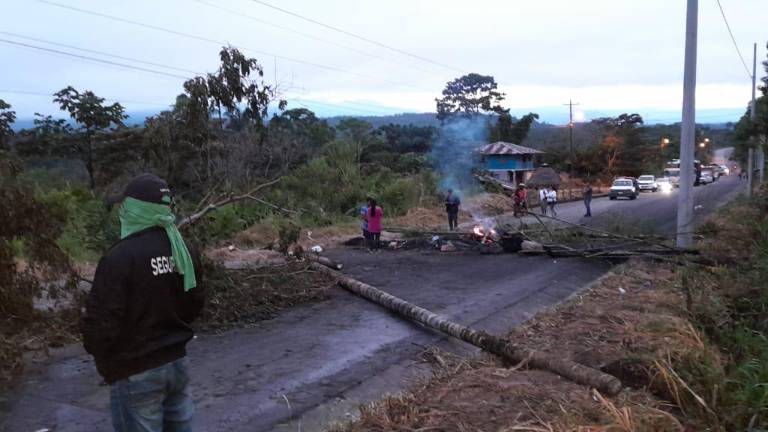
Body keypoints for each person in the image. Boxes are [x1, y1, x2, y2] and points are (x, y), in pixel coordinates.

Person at [81, 173, 206, 432]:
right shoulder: (183, 249)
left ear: (136, 209)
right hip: (176, 365)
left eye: (125, 206)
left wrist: (107, 360)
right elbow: (194, 304)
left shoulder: (120, 257)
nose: (121, 212)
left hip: (136, 371)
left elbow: (102, 325)